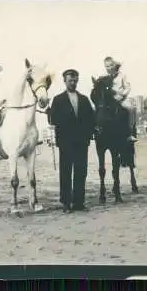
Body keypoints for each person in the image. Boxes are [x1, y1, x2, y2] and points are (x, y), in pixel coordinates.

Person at [48, 69, 95, 213]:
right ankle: (66, 203)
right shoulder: (57, 99)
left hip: (81, 142)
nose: (73, 83)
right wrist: (49, 113)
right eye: (70, 80)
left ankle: (79, 203)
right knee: (66, 172)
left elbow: (90, 120)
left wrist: (88, 135)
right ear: (64, 81)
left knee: (81, 172)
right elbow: (53, 120)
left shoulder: (84, 99)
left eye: (75, 80)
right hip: (65, 142)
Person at [103, 56, 138, 142]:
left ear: (114, 65)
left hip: (122, 99)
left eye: (111, 65)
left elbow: (127, 87)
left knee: (131, 108)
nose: (109, 68)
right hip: (110, 100)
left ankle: (130, 132)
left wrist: (121, 95)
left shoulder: (122, 76)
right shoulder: (105, 78)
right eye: (107, 66)